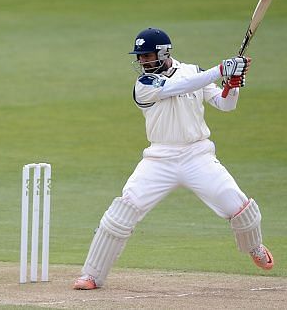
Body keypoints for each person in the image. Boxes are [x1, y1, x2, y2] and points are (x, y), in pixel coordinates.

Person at [73, 28, 274, 290]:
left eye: (148, 56)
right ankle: (91, 275)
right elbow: (179, 87)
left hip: (197, 155)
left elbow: (225, 105)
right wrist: (220, 70)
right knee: (121, 212)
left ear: (164, 52)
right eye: (140, 57)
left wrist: (232, 84)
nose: (143, 61)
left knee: (240, 208)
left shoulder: (193, 71)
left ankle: (254, 247)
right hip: (159, 159)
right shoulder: (144, 85)